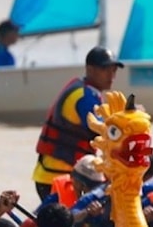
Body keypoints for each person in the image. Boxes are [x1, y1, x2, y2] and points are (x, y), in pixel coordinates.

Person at [31, 46, 122, 199]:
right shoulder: (84, 95)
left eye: (114, 70)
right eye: (106, 69)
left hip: (57, 174)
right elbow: (102, 131)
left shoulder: (87, 90)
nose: (111, 75)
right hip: (59, 177)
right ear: (90, 69)